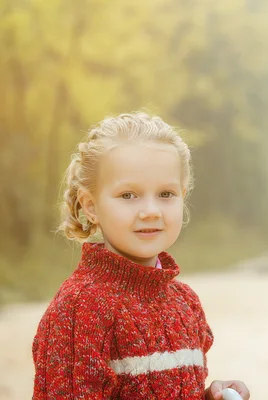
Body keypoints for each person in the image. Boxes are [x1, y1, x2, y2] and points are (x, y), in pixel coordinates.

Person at [32, 112, 250, 400]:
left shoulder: (185, 303)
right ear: (91, 205)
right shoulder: (80, 310)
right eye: (128, 195)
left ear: (183, 195)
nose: (151, 210)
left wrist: (211, 397)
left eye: (166, 194)